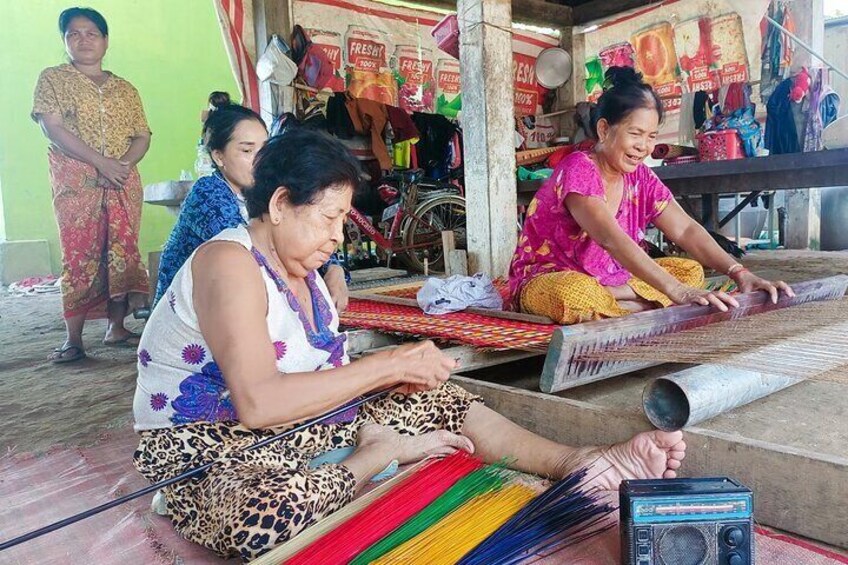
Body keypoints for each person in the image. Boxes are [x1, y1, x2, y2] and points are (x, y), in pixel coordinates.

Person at [132, 128, 687, 561]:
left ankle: (579, 463)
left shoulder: (310, 275)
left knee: (437, 395)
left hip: (303, 428)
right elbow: (257, 403)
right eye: (328, 218)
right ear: (279, 204)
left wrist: (394, 373)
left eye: (342, 221)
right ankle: (375, 455)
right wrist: (385, 367)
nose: (336, 236)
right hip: (209, 444)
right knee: (256, 518)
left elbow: (321, 376)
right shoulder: (228, 262)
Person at [510, 67, 794, 325]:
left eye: (651, 136)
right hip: (551, 279)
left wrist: (739, 272)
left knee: (690, 271)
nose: (644, 147)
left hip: (612, 279)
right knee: (572, 295)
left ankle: (620, 301)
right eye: (636, 134)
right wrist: (676, 291)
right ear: (604, 129)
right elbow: (610, 238)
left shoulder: (641, 176)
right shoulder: (579, 168)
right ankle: (643, 304)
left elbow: (685, 229)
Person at [153, 92, 350, 311]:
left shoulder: (261, 194)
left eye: (264, 149)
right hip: (193, 316)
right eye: (247, 150)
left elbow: (300, 242)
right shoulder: (208, 193)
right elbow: (258, 257)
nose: (259, 159)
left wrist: (335, 269)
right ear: (218, 157)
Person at [32, 7, 151, 363]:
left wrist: (122, 166)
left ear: (106, 41)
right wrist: (101, 163)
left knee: (121, 252)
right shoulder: (53, 79)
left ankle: (116, 329)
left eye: (91, 33)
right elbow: (52, 127)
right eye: (73, 34)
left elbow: (142, 135)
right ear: (64, 41)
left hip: (121, 182)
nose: (83, 40)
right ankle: (74, 339)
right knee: (79, 254)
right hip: (77, 180)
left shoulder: (125, 89)